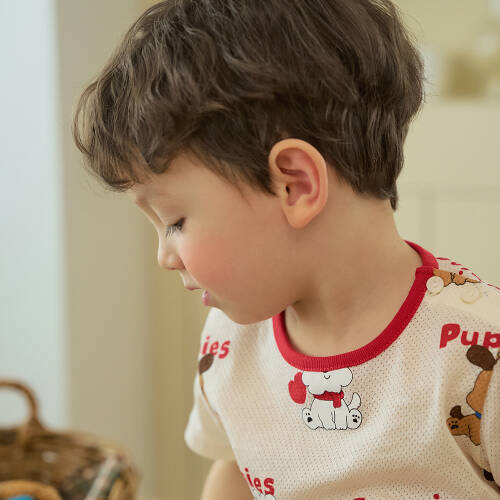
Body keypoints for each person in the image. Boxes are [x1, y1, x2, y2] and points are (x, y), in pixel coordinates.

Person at [72, 0, 500, 498]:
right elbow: (236, 466)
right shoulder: (229, 343)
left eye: (175, 222)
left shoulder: (480, 358)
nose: (165, 257)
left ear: (295, 184)